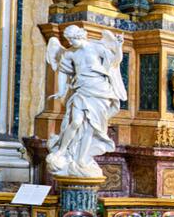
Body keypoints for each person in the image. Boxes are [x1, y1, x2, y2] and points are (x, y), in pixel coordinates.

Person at [45, 25, 126, 179]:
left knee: (91, 127)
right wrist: (61, 91)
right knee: (76, 122)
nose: (72, 42)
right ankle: (62, 150)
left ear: (81, 35)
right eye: (69, 39)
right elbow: (63, 71)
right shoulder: (69, 53)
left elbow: (115, 61)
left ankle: (81, 158)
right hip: (81, 90)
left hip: (100, 91)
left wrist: (119, 46)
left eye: (74, 38)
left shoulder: (96, 47)